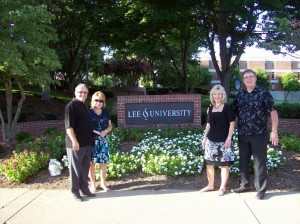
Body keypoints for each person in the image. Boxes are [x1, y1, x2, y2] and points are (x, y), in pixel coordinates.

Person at [231, 69, 279, 200]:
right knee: (243, 161)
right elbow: (232, 112)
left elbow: (273, 112)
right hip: (243, 134)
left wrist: (274, 131)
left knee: (260, 163)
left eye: (250, 76)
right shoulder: (240, 94)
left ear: (255, 78)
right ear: (243, 80)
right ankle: (244, 185)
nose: (248, 79)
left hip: (259, 134)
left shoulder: (264, 93)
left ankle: (261, 190)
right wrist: (214, 108)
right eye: (245, 77)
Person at [200, 84, 235, 196]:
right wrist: (205, 137)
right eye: (214, 94)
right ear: (212, 95)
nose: (217, 96)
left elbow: (232, 124)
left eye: (219, 94)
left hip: (224, 141)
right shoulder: (210, 108)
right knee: (209, 164)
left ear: (223, 95)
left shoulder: (227, 108)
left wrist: (229, 138)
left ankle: (222, 187)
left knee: (224, 165)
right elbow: (208, 124)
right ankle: (211, 185)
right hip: (211, 140)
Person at [65, 83, 96, 201]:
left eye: (85, 92)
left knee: (84, 169)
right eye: (80, 92)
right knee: (75, 169)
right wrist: (74, 141)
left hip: (87, 143)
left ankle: (84, 188)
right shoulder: (71, 106)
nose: (82, 94)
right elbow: (69, 127)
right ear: (75, 93)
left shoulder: (84, 106)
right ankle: (75, 191)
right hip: (76, 144)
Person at [89, 91, 112, 193]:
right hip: (91, 141)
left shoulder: (106, 112)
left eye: (101, 101)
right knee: (91, 163)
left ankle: (102, 183)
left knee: (103, 163)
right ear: (93, 101)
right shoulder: (88, 112)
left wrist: (105, 131)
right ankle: (93, 184)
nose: (98, 103)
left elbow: (110, 126)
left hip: (102, 141)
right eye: (96, 100)